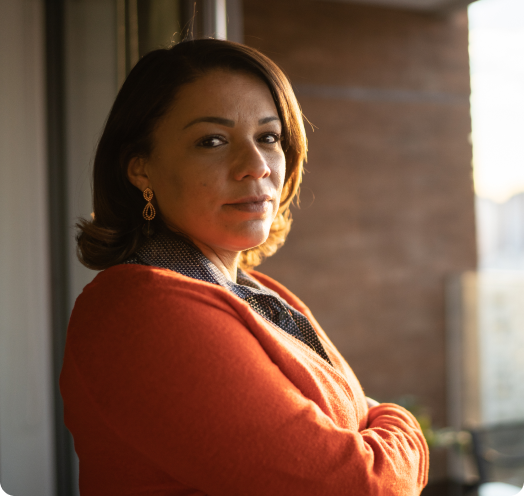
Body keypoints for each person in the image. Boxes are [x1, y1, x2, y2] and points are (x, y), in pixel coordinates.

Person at [60, 38, 429, 496]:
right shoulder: (139, 309)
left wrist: (371, 434)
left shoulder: (257, 293)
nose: (255, 166)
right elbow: (361, 486)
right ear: (140, 168)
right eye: (211, 141)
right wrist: (401, 423)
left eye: (268, 138)